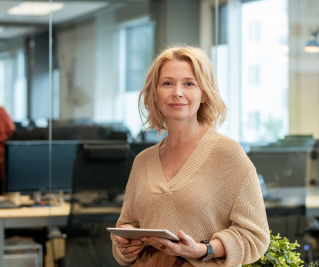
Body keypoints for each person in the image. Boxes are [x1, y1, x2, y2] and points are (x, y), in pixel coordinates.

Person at [111, 46, 270, 266]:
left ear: (203, 93)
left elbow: (256, 236)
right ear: (155, 93)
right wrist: (126, 242)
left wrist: (202, 249)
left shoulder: (228, 154)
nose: (177, 92)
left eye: (189, 83)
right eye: (167, 83)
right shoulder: (143, 161)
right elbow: (125, 227)